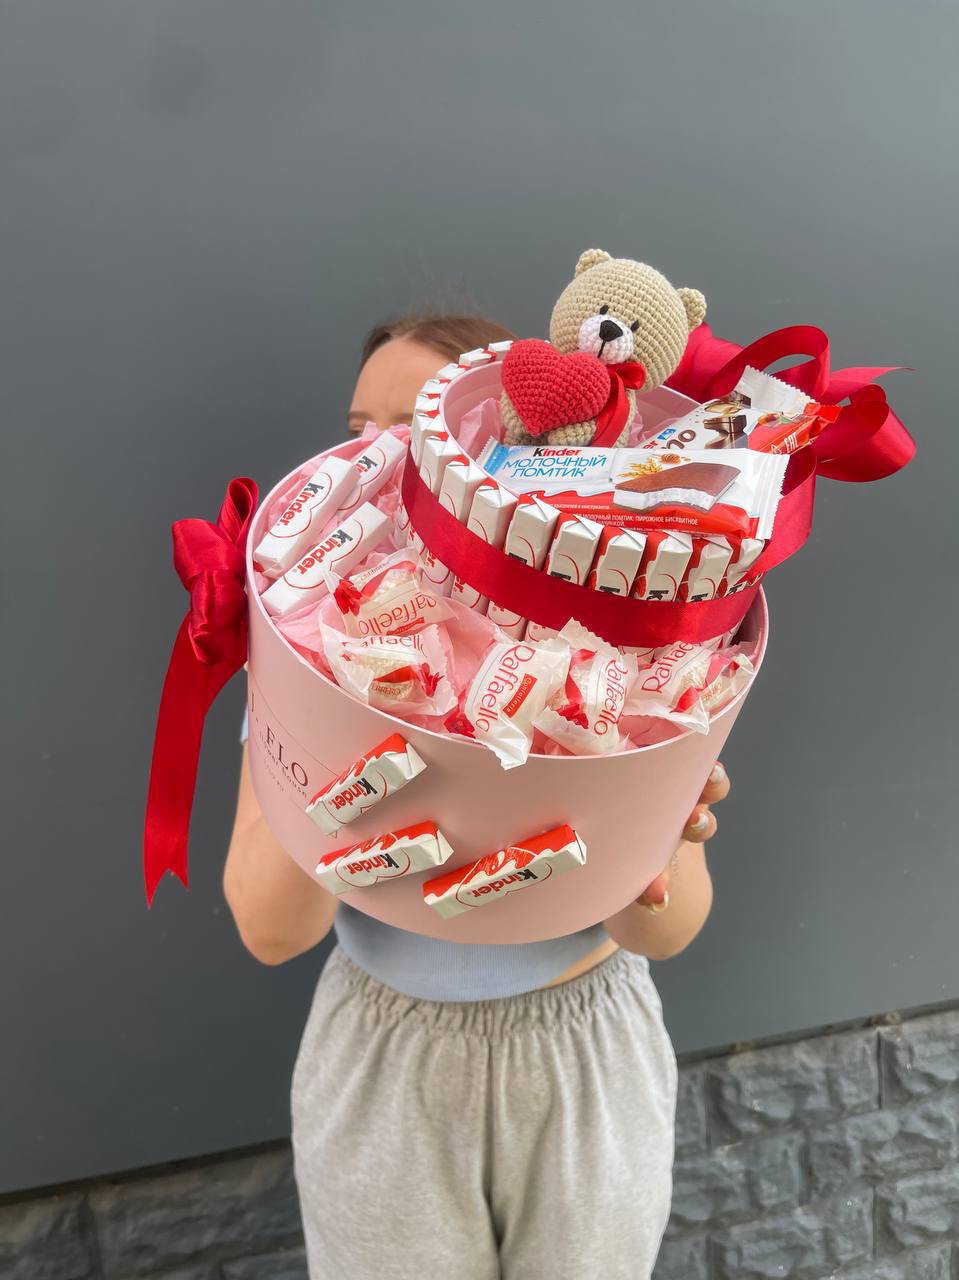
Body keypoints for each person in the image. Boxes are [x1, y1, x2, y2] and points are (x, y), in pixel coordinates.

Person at [224, 312, 731, 1280]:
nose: (378, 455)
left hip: (585, 1044)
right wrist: (339, 725)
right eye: (357, 429)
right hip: (383, 1053)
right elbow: (269, 929)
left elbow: (667, 929)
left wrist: (656, 823)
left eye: (413, 427)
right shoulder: (296, 655)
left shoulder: (608, 651)